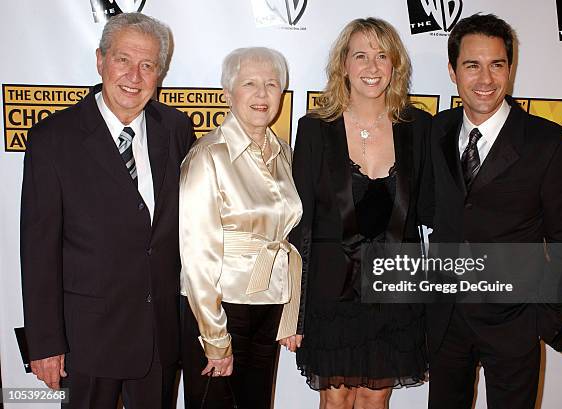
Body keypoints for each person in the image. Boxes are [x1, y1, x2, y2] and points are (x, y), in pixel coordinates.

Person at [20, 12, 195, 409]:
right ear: (100, 60)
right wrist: (45, 342)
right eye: (122, 60)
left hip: (158, 337)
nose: (134, 75)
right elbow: (38, 250)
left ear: (159, 74)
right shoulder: (53, 139)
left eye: (147, 65)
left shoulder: (176, 129)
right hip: (86, 343)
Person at [426, 13, 562, 409]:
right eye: (472, 65)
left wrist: (543, 317)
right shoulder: (436, 131)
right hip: (445, 320)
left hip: (514, 324)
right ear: (452, 71)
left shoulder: (551, 144)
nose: (485, 79)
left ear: (510, 68)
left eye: (497, 64)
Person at [290, 17, 432, 409]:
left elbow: (433, 210)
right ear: (344, 65)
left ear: (395, 65)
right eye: (361, 56)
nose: (372, 68)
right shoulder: (315, 129)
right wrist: (294, 311)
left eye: (382, 56)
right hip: (331, 292)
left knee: (376, 396)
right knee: (336, 400)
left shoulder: (418, 127)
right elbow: (299, 224)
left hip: (395, 293)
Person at [179, 47, 303, 409]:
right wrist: (215, 337)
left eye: (272, 84)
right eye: (249, 83)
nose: (262, 94)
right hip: (221, 306)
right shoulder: (208, 156)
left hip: (270, 302)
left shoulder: (284, 153)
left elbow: (285, 239)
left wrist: (292, 309)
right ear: (227, 93)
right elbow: (196, 254)